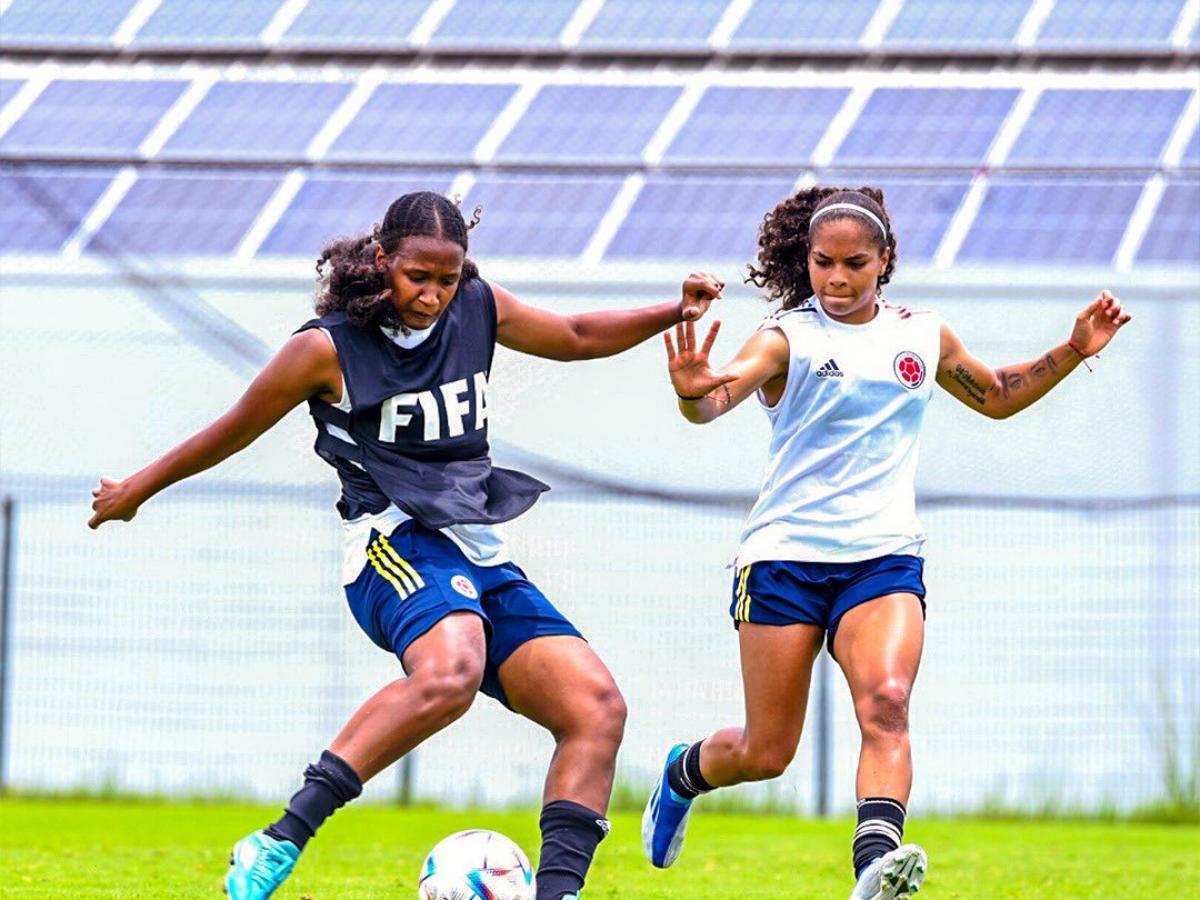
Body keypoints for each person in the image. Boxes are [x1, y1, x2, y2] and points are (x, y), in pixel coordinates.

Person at [89, 190, 725, 900]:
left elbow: (574, 333)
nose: (430, 294)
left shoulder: (476, 304)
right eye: (416, 276)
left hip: (476, 546)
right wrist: (137, 489)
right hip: (391, 541)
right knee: (453, 669)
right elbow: (231, 427)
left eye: (446, 279)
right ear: (382, 258)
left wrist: (673, 310)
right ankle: (279, 838)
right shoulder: (325, 349)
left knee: (595, 708)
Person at [641, 186, 1131, 899]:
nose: (837, 279)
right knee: (766, 751)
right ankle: (682, 773)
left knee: (889, 702)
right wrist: (693, 392)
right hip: (784, 559)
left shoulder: (923, 334)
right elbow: (716, 399)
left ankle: (875, 864)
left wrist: (1074, 348)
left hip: (883, 557)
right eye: (822, 264)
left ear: (885, 261)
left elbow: (993, 395)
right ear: (805, 261)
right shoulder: (787, 337)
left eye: (854, 264)